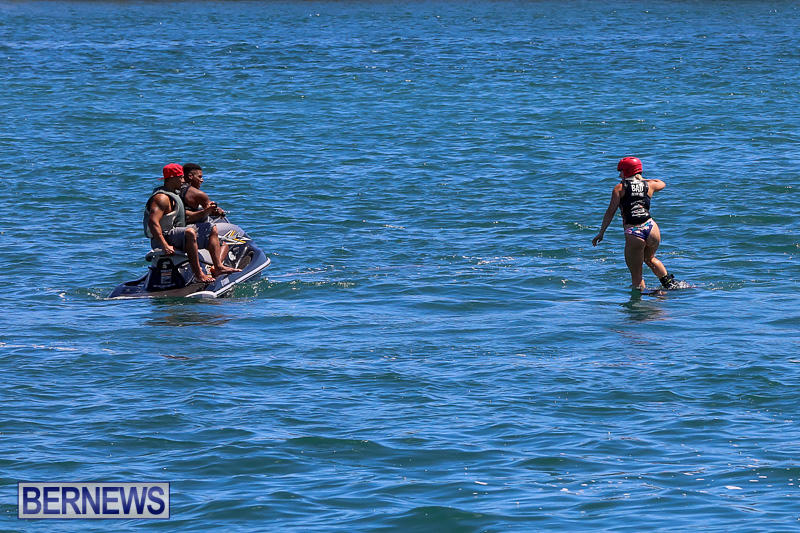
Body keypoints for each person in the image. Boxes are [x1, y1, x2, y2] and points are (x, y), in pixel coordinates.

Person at [592, 156, 679, 291]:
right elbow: (662, 183)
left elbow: (610, 212)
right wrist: (642, 179)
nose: (620, 175)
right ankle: (670, 285)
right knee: (650, 259)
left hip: (634, 232)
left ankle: (640, 302)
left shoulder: (619, 188)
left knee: (637, 277)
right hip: (651, 228)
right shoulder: (650, 185)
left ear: (627, 172)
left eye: (621, 171)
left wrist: (601, 232)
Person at [143, 163, 239, 283]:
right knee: (189, 232)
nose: (183, 181)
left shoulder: (174, 194)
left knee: (210, 228)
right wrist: (164, 245)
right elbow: (153, 222)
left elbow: (186, 215)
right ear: (172, 178)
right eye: (181, 178)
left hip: (174, 233)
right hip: (164, 237)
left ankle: (218, 267)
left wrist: (209, 211)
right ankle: (199, 275)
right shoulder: (161, 198)